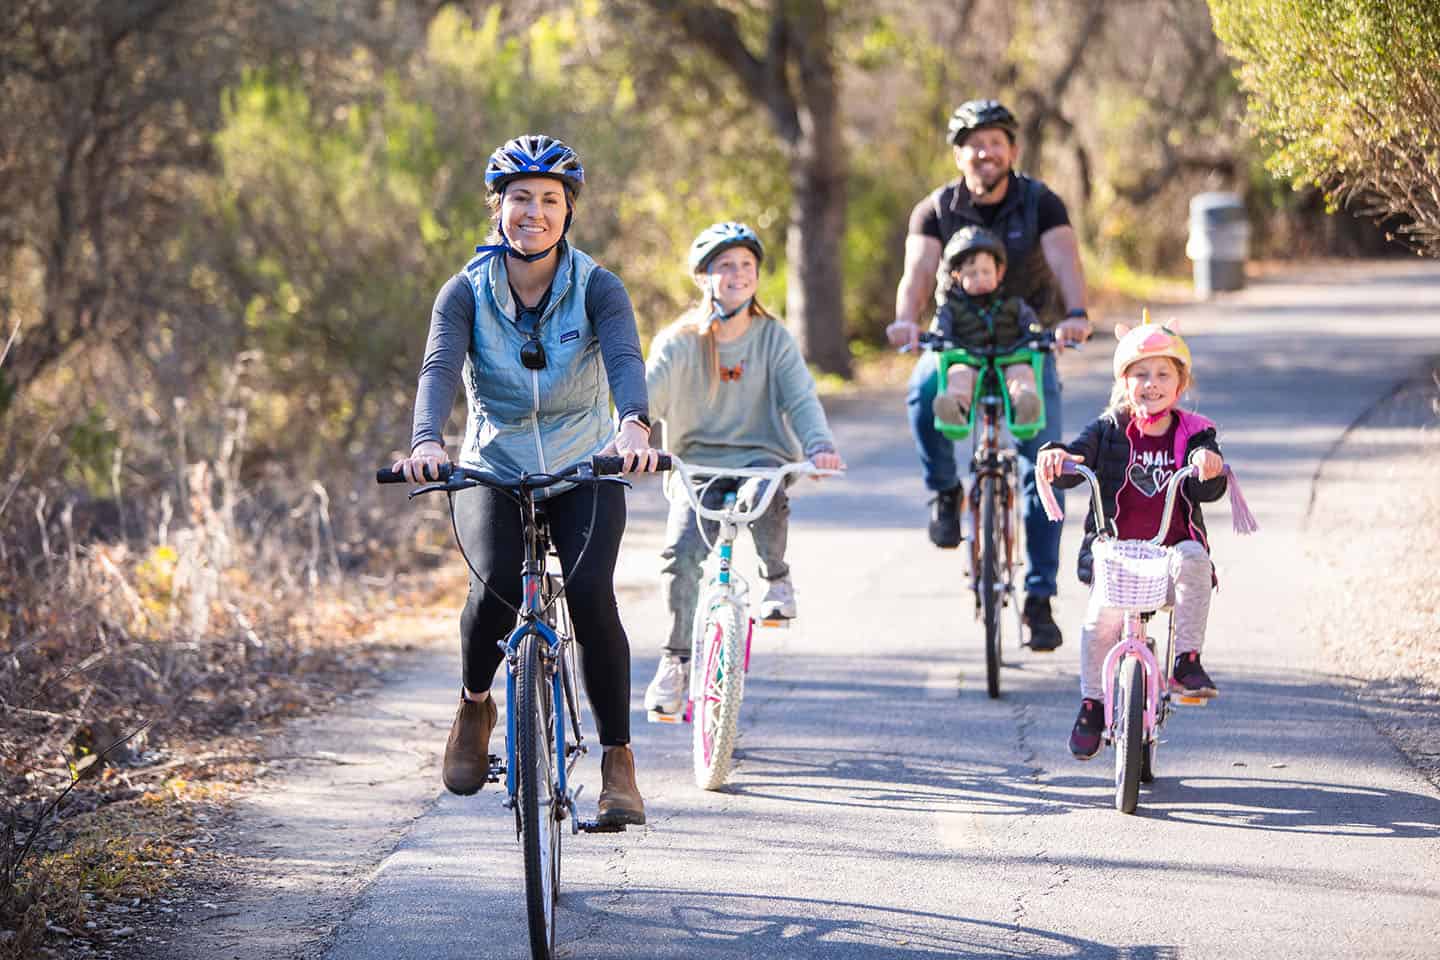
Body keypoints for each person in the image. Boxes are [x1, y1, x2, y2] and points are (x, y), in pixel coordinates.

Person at [390, 134, 662, 826]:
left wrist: (634, 425)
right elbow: (439, 370)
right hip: (493, 462)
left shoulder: (598, 286)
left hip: (582, 463)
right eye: (520, 200)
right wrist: (427, 441)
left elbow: (627, 357)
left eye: (549, 200)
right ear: (498, 209)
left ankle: (618, 762)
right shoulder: (464, 293)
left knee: (593, 594)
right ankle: (475, 705)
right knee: (498, 587)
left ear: (568, 212)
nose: (533, 213)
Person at [886, 98, 1092, 651]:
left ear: (1012, 151)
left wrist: (1075, 315)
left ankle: (1040, 598)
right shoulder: (935, 209)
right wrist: (906, 323)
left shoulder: (1040, 202)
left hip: (1026, 341)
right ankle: (945, 492)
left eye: (995, 142)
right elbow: (919, 271)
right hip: (958, 340)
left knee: (1044, 465)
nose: (985, 152)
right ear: (958, 155)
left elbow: (1066, 259)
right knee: (925, 389)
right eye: (974, 144)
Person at [641, 222, 845, 717]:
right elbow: (642, 402)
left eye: (746, 266)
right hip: (696, 466)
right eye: (725, 266)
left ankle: (776, 578)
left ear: (757, 275)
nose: (737, 275)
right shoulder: (678, 343)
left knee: (766, 496)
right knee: (681, 554)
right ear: (705, 276)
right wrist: (626, 439)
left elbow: (800, 399)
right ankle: (675, 660)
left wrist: (819, 446)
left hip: (758, 458)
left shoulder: (773, 338)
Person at [1036, 319, 1229, 760]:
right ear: (1125, 382)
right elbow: (1077, 455)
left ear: (1181, 383)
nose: (1151, 384)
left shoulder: (1194, 432)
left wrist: (1208, 465)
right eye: (1140, 374)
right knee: (1099, 624)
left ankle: (1186, 662)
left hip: (1170, 553)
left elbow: (1208, 483)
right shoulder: (1110, 428)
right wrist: (1059, 456)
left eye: (1163, 374)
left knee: (1195, 559)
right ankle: (1091, 704)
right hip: (1118, 555)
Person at [930, 225, 1042, 428]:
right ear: (956, 276)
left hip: (1008, 358)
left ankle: (1025, 405)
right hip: (971, 360)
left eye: (986, 272)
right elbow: (940, 327)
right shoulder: (951, 308)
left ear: (999, 273)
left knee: (1022, 374)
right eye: (971, 274)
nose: (980, 278)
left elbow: (1031, 324)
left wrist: (1037, 335)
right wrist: (937, 337)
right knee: (958, 376)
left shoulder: (1013, 304)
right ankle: (955, 408)